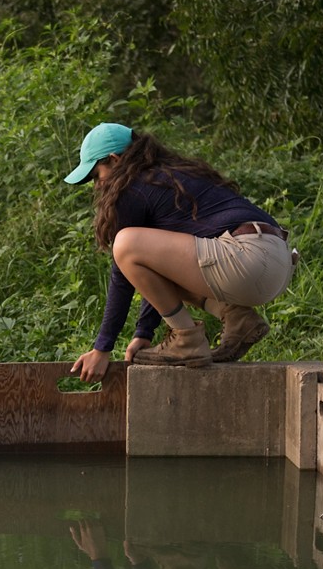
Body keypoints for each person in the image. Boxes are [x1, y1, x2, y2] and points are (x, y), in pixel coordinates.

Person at [65, 123, 296, 381]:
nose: (97, 185)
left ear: (115, 160)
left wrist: (102, 348)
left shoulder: (132, 188)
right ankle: (237, 317)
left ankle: (186, 340)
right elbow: (155, 270)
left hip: (246, 258)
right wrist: (144, 333)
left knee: (124, 245)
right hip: (276, 258)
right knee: (141, 253)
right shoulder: (171, 176)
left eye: (97, 175)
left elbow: (124, 270)